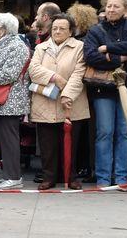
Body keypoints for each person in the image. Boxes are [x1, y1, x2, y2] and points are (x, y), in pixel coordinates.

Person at [83, 0, 127, 187]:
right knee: (104, 132)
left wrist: (107, 49)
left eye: (116, 6)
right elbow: (90, 56)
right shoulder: (95, 30)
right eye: (109, 6)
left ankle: (122, 177)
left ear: (125, 9)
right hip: (103, 88)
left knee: (126, 132)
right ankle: (103, 178)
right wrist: (119, 58)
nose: (111, 9)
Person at [28, 13, 88, 189]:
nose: (57, 31)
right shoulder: (41, 48)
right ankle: (49, 177)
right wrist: (54, 77)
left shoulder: (79, 47)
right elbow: (34, 70)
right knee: (47, 145)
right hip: (45, 102)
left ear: (70, 31)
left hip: (71, 102)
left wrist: (67, 94)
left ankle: (70, 176)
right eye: (54, 28)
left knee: (71, 143)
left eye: (62, 28)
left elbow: (79, 74)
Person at [0, 12, 30, 190]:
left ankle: (13, 176)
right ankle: (10, 175)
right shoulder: (7, 45)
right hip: (6, 100)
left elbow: (8, 75)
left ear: (3, 30)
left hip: (11, 100)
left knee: (9, 139)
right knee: (6, 139)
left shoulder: (16, 46)